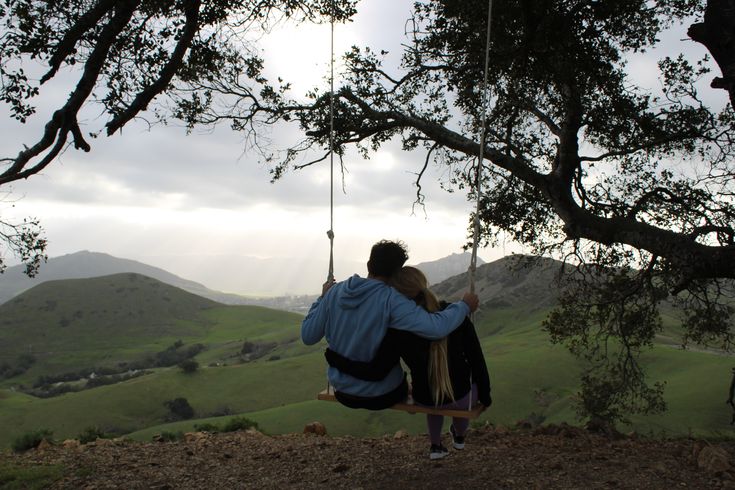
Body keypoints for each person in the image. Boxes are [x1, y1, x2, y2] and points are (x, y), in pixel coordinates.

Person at [325, 266, 491, 460]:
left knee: (435, 400)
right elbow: (477, 360)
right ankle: (459, 437)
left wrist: (336, 360)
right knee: (460, 402)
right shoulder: (455, 316)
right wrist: (485, 398)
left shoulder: (397, 330)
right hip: (463, 398)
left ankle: (436, 446)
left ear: (396, 297)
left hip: (424, 397)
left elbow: (376, 371)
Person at [301, 240, 480, 410]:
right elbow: (435, 328)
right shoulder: (392, 300)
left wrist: (322, 298)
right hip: (382, 394)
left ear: (369, 264)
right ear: (396, 272)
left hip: (342, 391)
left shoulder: (335, 292)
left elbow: (308, 336)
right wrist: (464, 306)